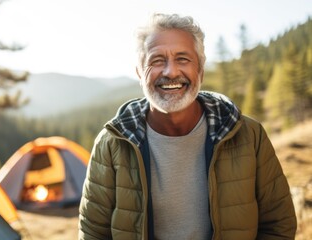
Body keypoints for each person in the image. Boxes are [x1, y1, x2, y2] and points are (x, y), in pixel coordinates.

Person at [78, 13, 297, 240]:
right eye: (157, 60)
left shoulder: (248, 135)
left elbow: (278, 224)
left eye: (183, 59)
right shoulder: (112, 141)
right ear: (139, 73)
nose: (171, 72)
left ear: (200, 70)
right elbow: (93, 232)